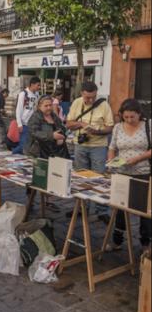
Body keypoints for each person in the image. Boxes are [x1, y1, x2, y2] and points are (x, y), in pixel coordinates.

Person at [106, 98, 151, 251]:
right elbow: (112, 147)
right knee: (120, 208)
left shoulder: (148, 126)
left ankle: (145, 244)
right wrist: (111, 161)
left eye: (133, 117)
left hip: (143, 172)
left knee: (144, 209)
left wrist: (137, 159)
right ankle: (117, 241)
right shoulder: (118, 127)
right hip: (122, 172)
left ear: (139, 114)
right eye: (126, 117)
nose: (129, 120)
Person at [66, 81, 114, 222]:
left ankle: (101, 211)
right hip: (80, 145)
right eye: (88, 97)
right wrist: (81, 124)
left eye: (93, 97)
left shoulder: (104, 105)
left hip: (98, 146)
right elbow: (69, 124)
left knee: (99, 178)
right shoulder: (76, 103)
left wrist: (97, 131)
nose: (91, 100)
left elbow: (110, 127)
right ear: (82, 94)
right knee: (81, 178)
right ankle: (81, 208)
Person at [24, 94, 70, 160]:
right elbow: (34, 132)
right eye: (46, 106)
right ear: (39, 106)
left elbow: (62, 128)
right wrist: (51, 136)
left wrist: (62, 136)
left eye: (50, 105)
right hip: (40, 152)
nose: (49, 108)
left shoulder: (54, 116)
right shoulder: (35, 117)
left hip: (57, 152)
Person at [12, 76, 41, 155]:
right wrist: (19, 124)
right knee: (23, 145)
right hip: (24, 124)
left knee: (29, 145)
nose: (39, 87)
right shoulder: (23, 94)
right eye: (38, 85)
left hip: (33, 124)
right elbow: (19, 109)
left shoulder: (37, 95)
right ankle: (12, 154)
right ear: (32, 84)